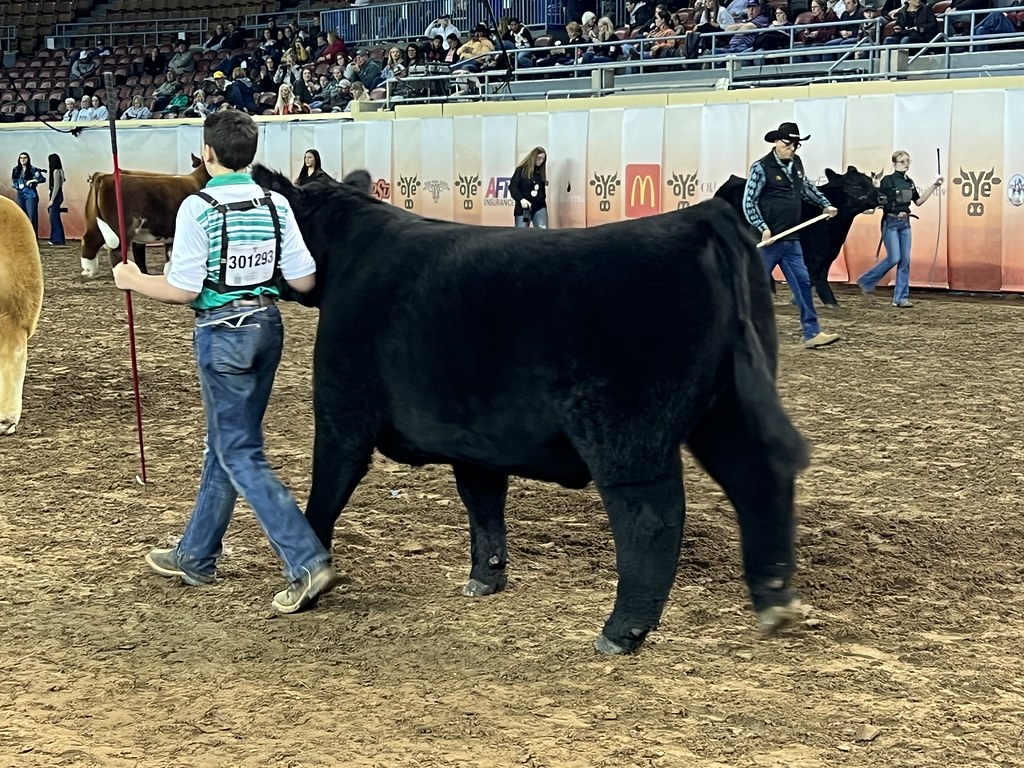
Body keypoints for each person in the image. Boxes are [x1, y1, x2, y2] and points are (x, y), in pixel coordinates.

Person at [111, 110, 340, 613]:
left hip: (222, 334)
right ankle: (196, 554)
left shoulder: (199, 207)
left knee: (238, 450)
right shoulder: (276, 203)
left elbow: (183, 289)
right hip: (267, 328)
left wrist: (134, 281)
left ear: (207, 153)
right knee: (226, 442)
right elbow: (303, 281)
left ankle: (306, 561)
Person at [742, 122, 841, 349]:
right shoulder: (761, 167)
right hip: (767, 240)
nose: (792, 149)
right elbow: (749, 202)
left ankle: (811, 333)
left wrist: (825, 204)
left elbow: (806, 188)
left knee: (803, 283)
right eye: (788, 144)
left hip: (791, 239)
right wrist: (762, 227)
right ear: (777, 142)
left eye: (796, 145)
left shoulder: (796, 165)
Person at [857, 150, 942, 307]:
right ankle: (866, 280)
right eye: (902, 161)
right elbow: (878, 199)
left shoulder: (909, 182)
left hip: (905, 223)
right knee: (894, 257)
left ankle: (901, 298)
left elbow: (918, 201)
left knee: (905, 261)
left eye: (908, 161)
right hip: (890, 222)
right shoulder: (888, 180)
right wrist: (874, 188)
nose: (906, 164)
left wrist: (934, 186)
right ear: (894, 163)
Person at [510, 147, 548, 229]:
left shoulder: (540, 172)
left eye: (543, 159)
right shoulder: (521, 170)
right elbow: (513, 187)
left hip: (539, 207)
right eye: (539, 158)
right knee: (521, 233)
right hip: (523, 208)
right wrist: (521, 199)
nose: (541, 161)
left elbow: (542, 192)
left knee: (543, 232)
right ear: (533, 157)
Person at [12, 152, 46, 235]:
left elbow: (42, 179)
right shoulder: (16, 169)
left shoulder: (33, 169)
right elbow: (14, 181)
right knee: (21, 216)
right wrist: (17, 186)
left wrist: (32, 180)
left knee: (31, 217)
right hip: (20, 195)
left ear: (28, 159)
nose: (23, 159)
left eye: (25, 158)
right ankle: (22, 236)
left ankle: (32, 237)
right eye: (21, 158)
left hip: (31, 195)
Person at [47, 153, 66, 246]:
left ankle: (57, 239)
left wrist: (52, 200)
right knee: (55, 217)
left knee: (54, 218)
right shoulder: (60, 170)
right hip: (58, 194)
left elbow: (56, 186)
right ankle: (59, 238)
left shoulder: (56, 171)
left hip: (56, 195)